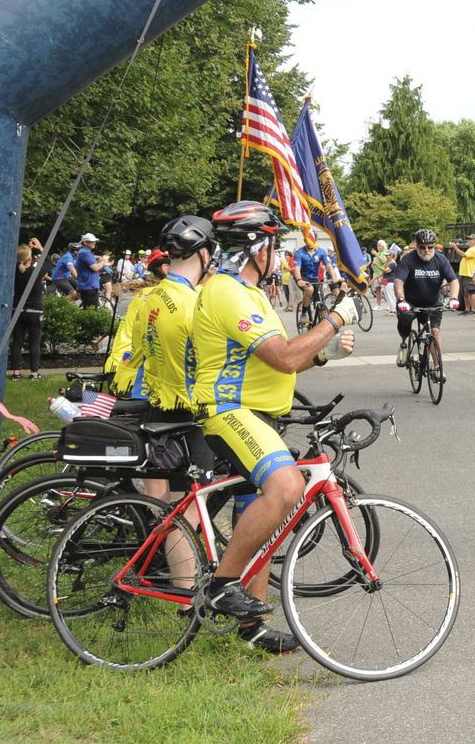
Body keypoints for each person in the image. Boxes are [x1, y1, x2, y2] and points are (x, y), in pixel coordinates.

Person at [191, 201, 356, 648]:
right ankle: (223, 584)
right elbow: (283, 356)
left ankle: (252, 629)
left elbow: (281, 360)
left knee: (261, 516)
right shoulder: (227, 292)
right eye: (271, 245)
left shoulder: (251, 292)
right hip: (229, 411)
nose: (276, 255)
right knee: (286, 489)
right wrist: (334, 318)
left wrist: (323, 351)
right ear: (254, 247)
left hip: (258, 414)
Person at [126, 218, 221, 605]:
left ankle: (171, 577)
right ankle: (186, 597)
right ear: (204, 254)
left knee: (169, 504)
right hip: (189, 412)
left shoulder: (150, 298)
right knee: (186, 509)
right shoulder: (195, 303)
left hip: (155, 405)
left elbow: (139, 351)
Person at [393, 229, 460, 370]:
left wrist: (453, 298)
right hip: (410, 302)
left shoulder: (441, 260)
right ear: (417, 246)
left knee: (434, 331)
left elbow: (453, 280)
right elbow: (399, 281)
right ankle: (404, 343)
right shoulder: (408, 260)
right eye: (422, 247)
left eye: (430, 247)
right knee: (405, 320)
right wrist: (401, 300)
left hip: (432, 302)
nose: (426, 250)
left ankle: (437, 368)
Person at [107, 249, 170, 398]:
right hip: (131, 367)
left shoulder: (148, 292)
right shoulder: (156, 295)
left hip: (121, 364)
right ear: (165, 269)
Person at [10, 244, 45, 380]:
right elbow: (47, 261)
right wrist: (40, 248)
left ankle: (16, 373)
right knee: (34, 342)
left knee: (17, 342)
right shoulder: (36, 272)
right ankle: (34, 373)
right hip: (34, 310)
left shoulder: (15, 272)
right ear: (30, 258)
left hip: (17, 310)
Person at [293, 232, 341, 316]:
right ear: (305, 240)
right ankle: (304, 313)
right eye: (308, 240)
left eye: (312, 240)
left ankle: (322, 319)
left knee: (320, 300)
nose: (310, 242)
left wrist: (333, 277)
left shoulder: (321, 251)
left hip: (314, 277)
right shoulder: (299, 252)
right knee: (309, 290)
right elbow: (297, 268)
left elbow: (329, 266)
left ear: (316, 240)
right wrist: (299, 280)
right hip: (302, 277)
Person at [75, 233, 105, 309]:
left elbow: (94, 264)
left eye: (94, 241)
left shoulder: (85, 252)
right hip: (89, 286)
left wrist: (104, 263)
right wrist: (103, 260)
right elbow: (95, 267)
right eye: (92, 241)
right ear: (85, 242)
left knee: (89, 309)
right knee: (90, 311)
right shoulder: (85, 253)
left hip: (89, 286)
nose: (94, 243)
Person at [457, 234, 475, 314]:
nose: (469, 241)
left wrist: (455, 247)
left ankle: (473, 309)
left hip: (470, 273)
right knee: (465, 293)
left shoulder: (474, 249)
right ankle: (467, 309)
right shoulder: (470, 249)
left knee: (471, 292)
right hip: (465, 274)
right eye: (468, 239)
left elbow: (462, 255)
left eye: (470, 239)